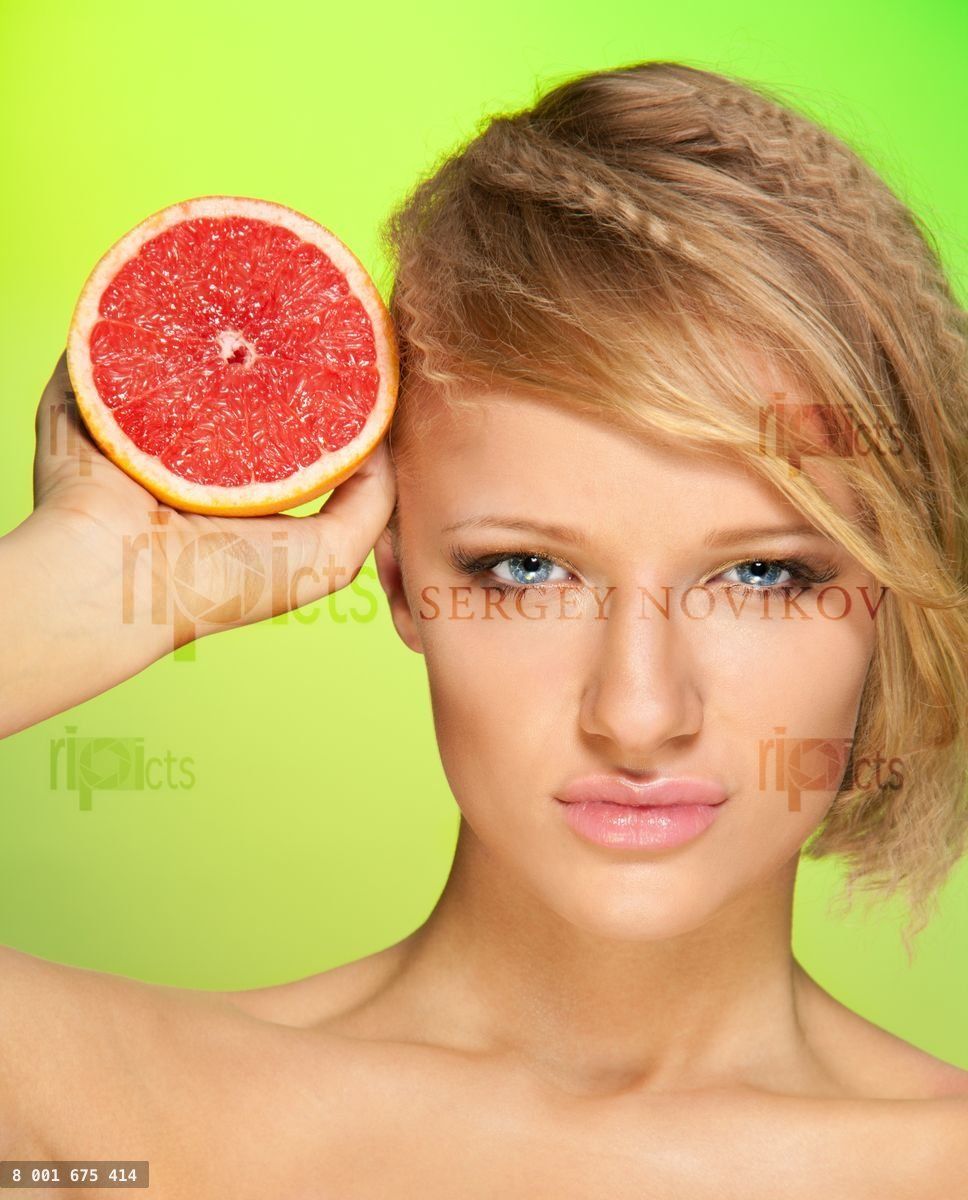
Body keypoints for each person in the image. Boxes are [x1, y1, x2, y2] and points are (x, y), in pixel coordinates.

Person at [2, 58, 967, 1197]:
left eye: (762, 573)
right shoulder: (95, 1115)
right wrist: (81, 582)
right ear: (400, 574)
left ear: (890, 586)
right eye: (525, 568)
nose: (639, 713)